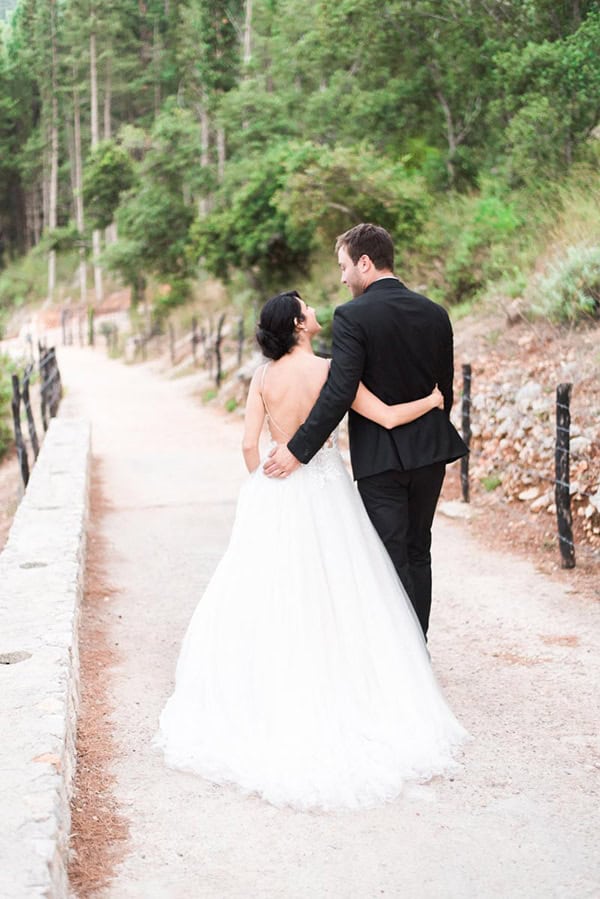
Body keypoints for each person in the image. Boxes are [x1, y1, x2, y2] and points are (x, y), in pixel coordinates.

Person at [155, 290, 467, 812]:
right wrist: (433, 402)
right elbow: (387, 417)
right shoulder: (328, 370)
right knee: (342, 583)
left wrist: (263, 485)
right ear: (299, 324)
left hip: (278, 488)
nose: (317, 310)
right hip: (325, 487)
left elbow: (248, 444)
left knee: (271, 588)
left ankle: (272, 683)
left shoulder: (262, 377)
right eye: (308, 308)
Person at [264, 224, 468, 637]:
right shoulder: (435, 313)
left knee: (390, 556)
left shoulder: (352, 315)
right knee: (419, 549)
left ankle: (405, 653)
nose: (342, 278)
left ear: (364, 262)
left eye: (343, 267)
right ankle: (418, 646)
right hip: (430, 452)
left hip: (380, 457)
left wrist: (297, 450)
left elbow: (340, 392)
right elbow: (444, 391)